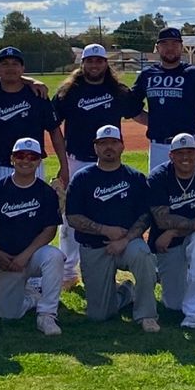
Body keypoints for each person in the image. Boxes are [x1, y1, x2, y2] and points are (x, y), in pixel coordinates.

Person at [52, 44, 140, 284]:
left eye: (98, 61)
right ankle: (69, 272)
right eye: (89, 61)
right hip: (77, 160)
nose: (94, 65)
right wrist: (63, 163)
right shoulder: (68, 92)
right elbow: (52, 125)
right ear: (83, 64)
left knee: (107, 209)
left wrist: (167, 127)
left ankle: (106, 261)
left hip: (108, 163)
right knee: (70, 217)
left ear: (105, 64)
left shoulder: (118, 91)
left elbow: (137, 114)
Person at [64, 124, 160, 332]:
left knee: (143, 255)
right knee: (99, 316)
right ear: (96, 147)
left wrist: (125, 240)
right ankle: (126, 292)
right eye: (103, 143)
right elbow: (72, 217)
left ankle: (146, 315)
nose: (109, 147)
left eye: (113, 143)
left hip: (128, 244)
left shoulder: (134, 178)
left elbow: (145, 215)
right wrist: (104, 230)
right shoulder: (82, 178)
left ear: (122, 146)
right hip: (94, 247)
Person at [0, 137, 64, 336]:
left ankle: (46, 315)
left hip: (32, 256)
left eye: (32, 157)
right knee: (9, 315)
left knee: (54, 256)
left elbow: (49, 231)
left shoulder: (46, 193)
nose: (26, 160)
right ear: (12, 159)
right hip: (4, 258)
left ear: (39, 162)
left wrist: (25, 255)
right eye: (20, 155)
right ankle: (31, 297)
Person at [147, 132, 195, 330]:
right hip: (167, 245)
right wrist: (193, 225)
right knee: (173, 304)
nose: (185, 157)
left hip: (182, 237)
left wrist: (173, 231)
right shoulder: (158, 177)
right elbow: (162, 219)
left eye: (190, 152)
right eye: (180, 153)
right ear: (171, 156)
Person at [0, 46, 69, 186]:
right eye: (5, 64)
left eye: (15, 64)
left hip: (34, 165)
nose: (10, 68)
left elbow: (54, 130)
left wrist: (64, 165)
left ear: (22, 68)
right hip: (2, 167)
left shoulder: (37, 94)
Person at [131, 27, 195, 172]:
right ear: (157, 47)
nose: (170, 48)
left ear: (181, 47)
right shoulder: (147, 75)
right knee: (158, 190)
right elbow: (131, 107)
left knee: (192, 191)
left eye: (175, 44)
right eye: (165, 44)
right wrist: (155, 121)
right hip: (159, 145)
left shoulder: (194, 74)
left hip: (189, 145)